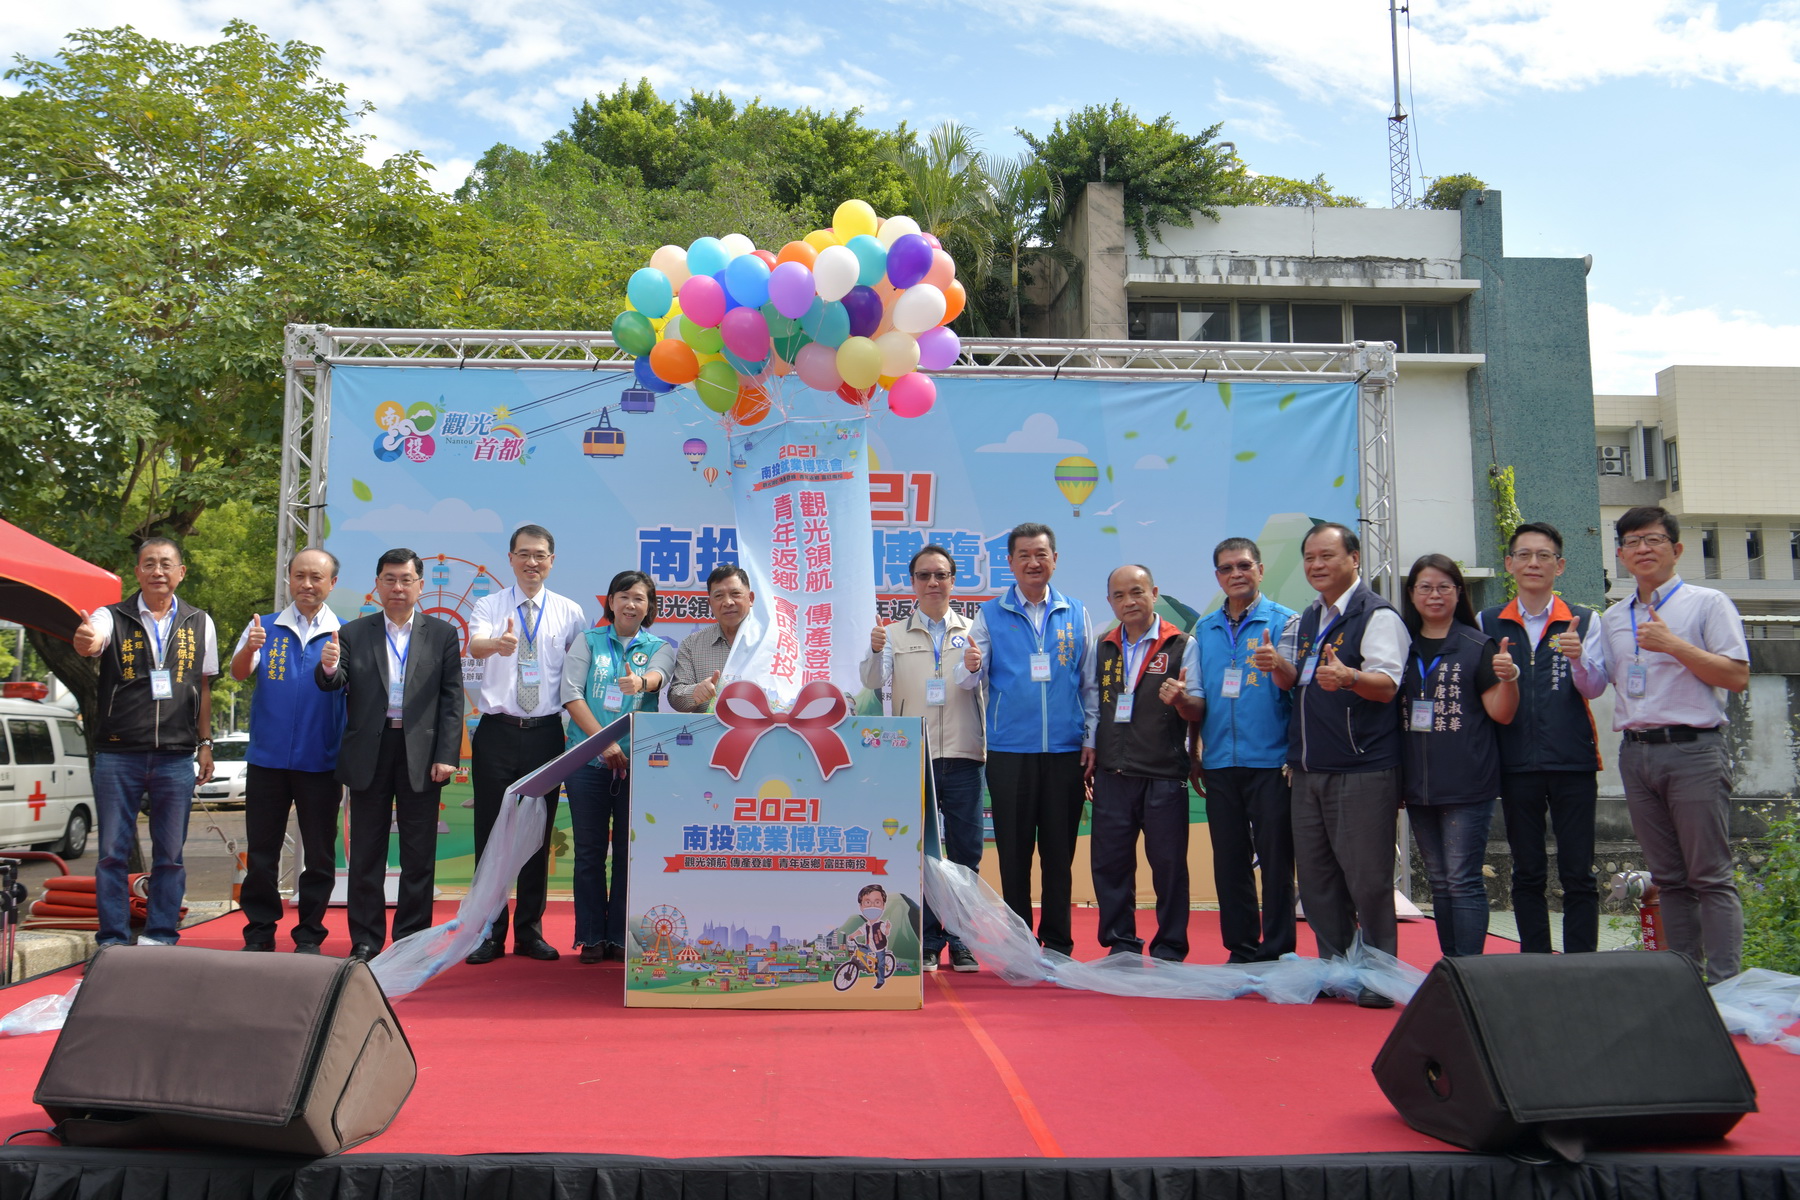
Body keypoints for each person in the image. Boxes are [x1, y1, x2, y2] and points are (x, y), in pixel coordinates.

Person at [1570, 505, 1749, 982]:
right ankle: (1685, 979)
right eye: (1632, 542)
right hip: (1636, 752)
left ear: (1677, 549)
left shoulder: (1707, 603)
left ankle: (1724, 984)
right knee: (1668, 878)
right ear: (1621, 555)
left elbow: (1736, 676)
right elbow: (1598, 686)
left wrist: (1674, 646)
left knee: (1710, 875)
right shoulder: (1613, 617)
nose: (1642, 549)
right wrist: (1577, 660)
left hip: (1694, 750)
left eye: (1653, 539)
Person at [1252, 522, 1408, 1007]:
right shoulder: (1309, 617)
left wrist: (1350, 677)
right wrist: (1276, 665)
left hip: (1361, 769)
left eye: (1327, 556)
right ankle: (1337, 969)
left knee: (1367, 879)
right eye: (1309, 558)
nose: (1316, 565)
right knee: (1318, 880)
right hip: (1307, 768)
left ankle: (1380, 977)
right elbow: (1296, 681)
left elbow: (1388, 684)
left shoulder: (1376, 615)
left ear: (1354, 558)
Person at [315, 548, 463, 961]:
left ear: (420, 585)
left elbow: (452, 698)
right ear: (377, 584)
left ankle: (412, 940)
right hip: (370, 751)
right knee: (366, 853)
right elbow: (333, 683)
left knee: (419, 853)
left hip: (421, 753)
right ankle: (365, 939)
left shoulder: (442, 633)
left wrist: (446, 754)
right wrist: (328, 667)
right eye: (389, 579)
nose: (398, 587)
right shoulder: (353, 633)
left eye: (406, 579)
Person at [956, 522, 1096, 956]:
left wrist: (1091, 738)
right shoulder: (990, 614)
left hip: (1066, 753)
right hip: (1009, 753)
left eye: (1041, 554)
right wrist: (971, 664)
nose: (1033, 563)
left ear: (1055, 559)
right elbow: (967, 680)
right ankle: (1019, 945)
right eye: (1024, 556)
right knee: (1014, 855)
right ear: (1011, 563)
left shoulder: (1076, 612)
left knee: (1059, 855)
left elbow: (1089, 684)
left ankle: (1058, 943)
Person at [74, 537, 219, 947]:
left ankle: (160, 937)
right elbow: (93, 639)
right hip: (118, 752)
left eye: (166, 564)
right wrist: (87, 640)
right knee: (111, 853)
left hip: (175, 755)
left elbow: (203, 686)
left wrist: (205, 743)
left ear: (181, 572)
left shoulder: (200, 621)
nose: (158, 571)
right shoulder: (111, 616)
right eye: (149, 563)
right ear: (137, 572)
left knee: (170, 855)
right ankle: (112, 940)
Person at [1165, 537, 1298, 963]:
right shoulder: (1204, 630)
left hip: (1272, 763)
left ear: (1260, 569)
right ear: (1217, 576)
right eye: (1226, 568)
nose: (1236, 574)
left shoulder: (1285, 622)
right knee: (1230, 861)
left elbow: (1297, 689)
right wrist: (1194, 751)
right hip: (1220, 763)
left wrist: (1278, 664)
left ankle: (1277, 949)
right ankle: (1241, 947)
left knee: (1276, 861)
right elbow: (1199, 700)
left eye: (1243, 565)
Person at [1478, 522, 1607, 955]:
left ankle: (1582, 965)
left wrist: (1579, 659)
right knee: (1527, 871)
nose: (1534, 563)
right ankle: (1534, 961)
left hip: (1573, 761)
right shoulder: (1488, 621)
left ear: (1560, 565)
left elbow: (1595, 689)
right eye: (1525, 555)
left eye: (1544, 556)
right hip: (1515, 762)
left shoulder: (1584, 620)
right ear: (1509, 563)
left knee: (1578, 872)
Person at [463, 524, 589, 966]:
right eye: (523, 554)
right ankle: (489, 932)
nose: (531, 562)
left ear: (551, 560)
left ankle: (530, 932)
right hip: (496, 732)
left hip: (546, 733)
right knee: (490, 833)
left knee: (538, 833)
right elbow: (475, 646)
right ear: (511, 558)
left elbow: (581, 669)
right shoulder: (490, 605)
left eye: (539, 555)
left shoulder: (570, 612)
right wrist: (497, 644)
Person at [861, 544, 985, 973]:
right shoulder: (893, 634)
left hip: (965, 753)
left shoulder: (974, 630)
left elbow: (985, 684)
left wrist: (976, 665)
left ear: (953, 580)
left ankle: (962, 941)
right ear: (912, 582)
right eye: (924, 575)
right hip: (914, 757)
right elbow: (872, 681)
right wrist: (874, 650)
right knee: (922, 852)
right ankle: (929, 940)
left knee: (966, 852)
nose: (933, 582)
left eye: (941, 575)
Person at [1397, 554, 1519, 958]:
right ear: (1411, 594)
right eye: (1425, 587)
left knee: (1462, 879)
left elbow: (1502, 713)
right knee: (1439, 880)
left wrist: (1509, 679)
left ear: (1458, 593)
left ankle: (1469, 971)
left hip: (1467, 782)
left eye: (1444, 587)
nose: (1434, 595)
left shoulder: (1477, 645)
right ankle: (1451, 967)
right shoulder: (1400, 646)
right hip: (1417, 784)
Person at [231, 548, 346, 954]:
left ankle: (310, 935)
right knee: (262, 854)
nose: (307, 584)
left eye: (316, 577)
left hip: (321, 762)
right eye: (299, 576)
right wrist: (250, 648)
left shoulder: (345, 634)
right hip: (267, 759)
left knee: (319, 856)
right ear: (289, 578)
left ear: (332, 583)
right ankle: (260, 932)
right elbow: (239, 673)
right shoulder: (264, 627)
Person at [561, 570, 675, 964]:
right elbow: (571, 695)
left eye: (639, 598)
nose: (630, 604)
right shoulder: (588, 641)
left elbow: (659, 677)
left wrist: (641, 682)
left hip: (637, 765)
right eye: (623, 596)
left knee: (629, 854)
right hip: (587, 762)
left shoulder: (660, 646)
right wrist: (603, 743)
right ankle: (591, 936)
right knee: (589, 853)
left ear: (649, 606)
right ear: (610, 602)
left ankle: (621, 937)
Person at [1087, 565, 1194, 960]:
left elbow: (1198, 706)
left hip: (1163, 773)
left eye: (1136, 592)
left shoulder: (1182, 644)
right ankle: (1121, 945)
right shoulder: (1103, 647)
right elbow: (1092, 705)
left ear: (1154, 593)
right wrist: (1091, 747)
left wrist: (1181, 700)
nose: (1128, 602)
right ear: (1110, 601)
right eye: (1119, 596)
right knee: (1110, 865)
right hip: (1113, 773)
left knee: (1169, 866)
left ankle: (1170, 947)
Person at [668, 565, 753, 713]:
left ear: (750, 598)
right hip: (708, 727)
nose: (728, 602)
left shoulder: (773, 642)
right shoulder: (692, 644)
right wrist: (695, 693)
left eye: (735, 594)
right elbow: (675, 697)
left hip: (762, 726)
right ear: (710, 604)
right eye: (719, 596)